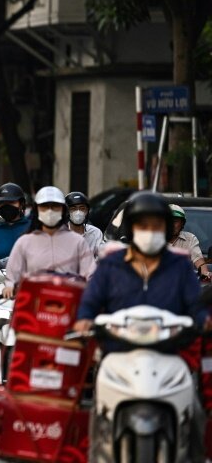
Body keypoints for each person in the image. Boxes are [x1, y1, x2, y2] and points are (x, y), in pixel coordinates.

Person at [73, 192, 210, 460]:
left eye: (156, 225)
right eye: (143, 225)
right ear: (132, 228)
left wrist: (203, 320)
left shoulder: (180, 265)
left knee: (195, 410)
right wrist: (84, 319)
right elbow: (90, 301)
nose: (150, 232)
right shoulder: (111, 263)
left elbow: (195, 305)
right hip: (118, 355)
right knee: (98, 411)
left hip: (171, 356)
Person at [3, 186, 95, 298]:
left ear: (63, 210)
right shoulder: (24, 242)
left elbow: (91, 274)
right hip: (33, 304)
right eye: (45, 207)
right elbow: (12, 276)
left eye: (55, 206)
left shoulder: (78, 242)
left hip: (68, 303)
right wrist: (9, 286)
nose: (50, 211)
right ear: (37, 210)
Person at [168, 204, 210, 278]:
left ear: (182, 224)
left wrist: (206, 274)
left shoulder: (190, 239)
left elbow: (200, 264)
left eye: (175, 221)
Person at [66, 191, 103, 257]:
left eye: (82, 208)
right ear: (67, 212)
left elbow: (101, 258)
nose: (78, 212)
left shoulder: (95, 233)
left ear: (87, 211)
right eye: (73, 209)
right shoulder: (61, 234)